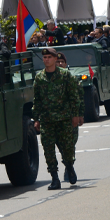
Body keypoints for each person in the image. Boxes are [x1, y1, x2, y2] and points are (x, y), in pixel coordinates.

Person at [33, 47, 82, 190]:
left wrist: (75, 115)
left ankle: (69, 166)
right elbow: (37, 100)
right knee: (48, 150)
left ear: (55, 59)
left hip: (64, 119)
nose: (47, 60)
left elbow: (74, 96)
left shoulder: (65, 75)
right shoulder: (39, 78)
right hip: (47, 120)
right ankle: (54, 178)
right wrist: (36, 118)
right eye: (45, 57)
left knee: (67, 148)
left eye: (49, 57)